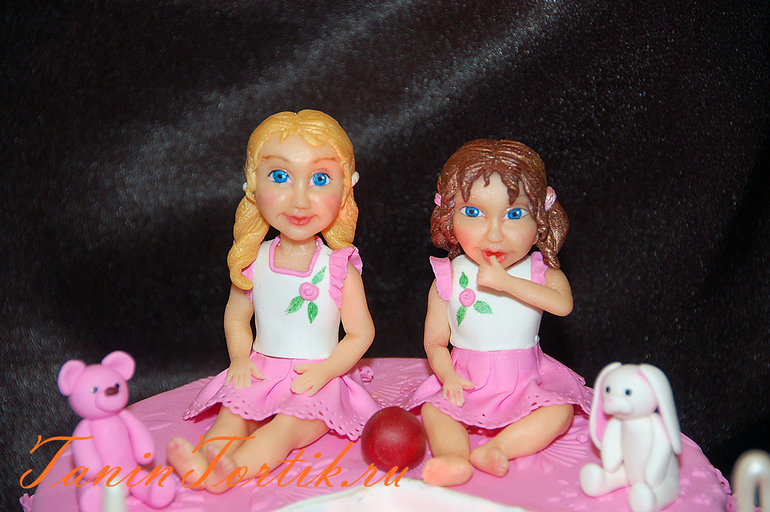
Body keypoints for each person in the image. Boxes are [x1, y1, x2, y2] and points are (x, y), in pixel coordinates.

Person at [166, 110, 378, 493]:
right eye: (280, 176)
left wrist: (326, 372)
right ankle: (205, 461)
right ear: (252, 182)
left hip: (315, 380)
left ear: (347, 186)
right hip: (261, 372)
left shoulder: (338, 268)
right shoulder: (252, 261)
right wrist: (240, 359)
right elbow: (236, 318)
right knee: (232, 415)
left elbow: (361, 333)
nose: (299, 200)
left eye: (319, 179)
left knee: (284, 429)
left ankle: (230, 471)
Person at [408, 139, 591, 487]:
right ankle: (452, 457)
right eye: (473, 213)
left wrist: (507, 283)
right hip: (467, 377)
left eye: (514, 215)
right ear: (449, 219)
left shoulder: (539, 272)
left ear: (540, 220)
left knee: (560, 412)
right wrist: (448, 376)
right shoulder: (449, 275)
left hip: (526, 377)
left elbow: (562, 305)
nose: (494, 235)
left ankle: (499, 450)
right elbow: (434, 341)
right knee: (435, 410)